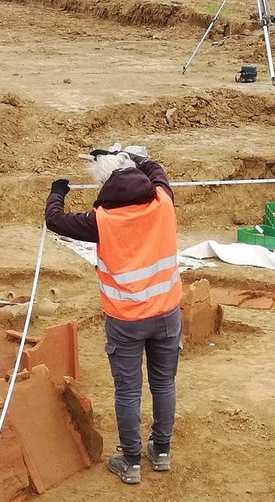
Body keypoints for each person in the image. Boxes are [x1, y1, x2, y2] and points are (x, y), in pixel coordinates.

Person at [45, 146, 181, 486]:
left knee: (128, 390)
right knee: (164, 383)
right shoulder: (163, 202)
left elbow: (55, 220)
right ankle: (161, 451)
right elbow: (156, 169)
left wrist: (57, 191)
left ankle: (131, 460)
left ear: (104, 187)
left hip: (126, 319)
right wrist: (131, 155)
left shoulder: (101, 221)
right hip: (166, 312)